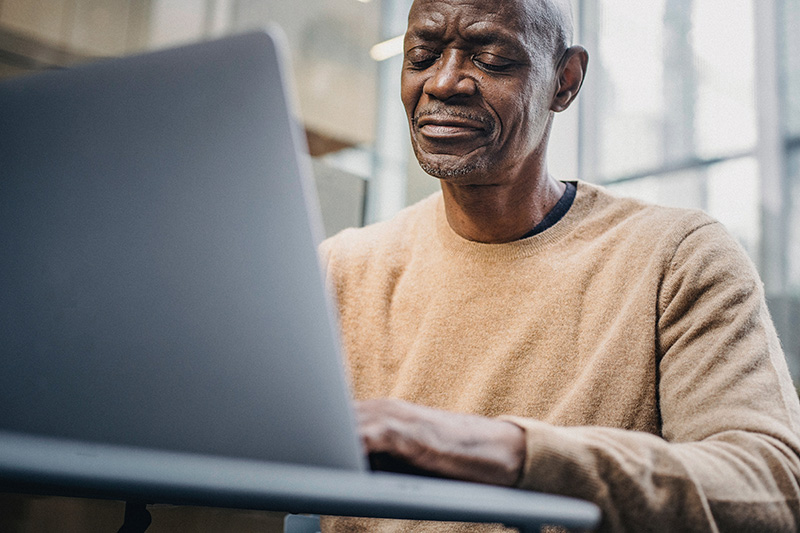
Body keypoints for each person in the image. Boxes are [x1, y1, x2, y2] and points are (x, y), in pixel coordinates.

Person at [319, 0, 800, 530]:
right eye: (421, 56)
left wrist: (511, 451)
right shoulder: (340, 268)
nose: (444, 82)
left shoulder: (677, 255)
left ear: (565, 81)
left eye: (492, 59)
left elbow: (770, 488)